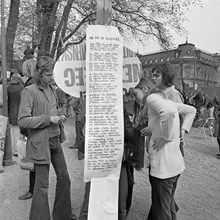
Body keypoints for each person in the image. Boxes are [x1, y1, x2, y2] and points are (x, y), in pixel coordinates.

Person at [78, 77, 153, 220]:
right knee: (91, 202)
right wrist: (87, 133)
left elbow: (130, 134)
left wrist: (130, 128)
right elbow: (82, 145)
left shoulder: (121, 110)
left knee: (121, 203)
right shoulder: (91, 113)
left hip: (119, 162)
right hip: (98, 164)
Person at [18, 56, 76, 220]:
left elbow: (57, 109)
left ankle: (63, 215)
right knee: (41, 186)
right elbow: (22, 120)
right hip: (40, 143)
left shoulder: (53, 90)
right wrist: (48, 119)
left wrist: (62, 114)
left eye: (53, 75)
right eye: (49, 75)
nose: (52, 78)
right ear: (39, 73)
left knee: (64, 179)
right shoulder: (29, 91)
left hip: (55, 140)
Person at [141, 63, 196, 220]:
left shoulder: (158, 97)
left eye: (157, 75)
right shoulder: (166, 98)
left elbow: (167, 113)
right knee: (166, 204)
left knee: (162, 208)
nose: (153, 77)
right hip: (174, 163)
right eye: (153, 75)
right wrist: (153, 129)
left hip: (164, 164)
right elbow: (188, 111)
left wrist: (167, 137)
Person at [18, 59, 37, 200]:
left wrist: (23, 130)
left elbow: (26, 112)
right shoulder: (36, 82)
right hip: (36, 126)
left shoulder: (29, 85)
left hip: (32, 127)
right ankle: (34, 189)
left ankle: (33, 190)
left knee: (33, 162)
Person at [7, 73, 24, 157]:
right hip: (23, 112)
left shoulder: (8, 89)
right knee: (22, 133)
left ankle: (16, 150)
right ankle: (22, 149)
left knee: (15, 133)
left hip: (12, 112)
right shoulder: (23, 88)